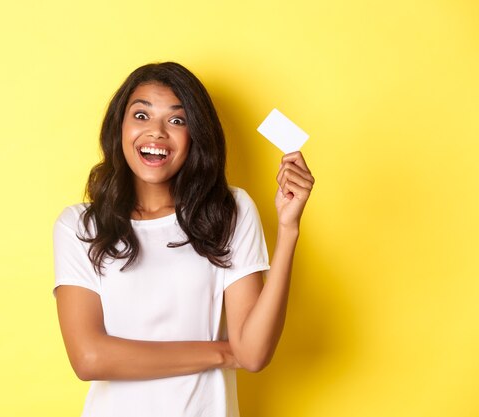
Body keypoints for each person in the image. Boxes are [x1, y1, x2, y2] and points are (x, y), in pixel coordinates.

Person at [53, 62, 314, 417]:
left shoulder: (229, 211)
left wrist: (288, 229)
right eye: (141, 115)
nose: (157, 132)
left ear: (196, 136)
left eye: (177, 121)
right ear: (120, 127)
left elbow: (252, 353)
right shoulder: (80, 226)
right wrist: (223, 353)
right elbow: (89, 358)